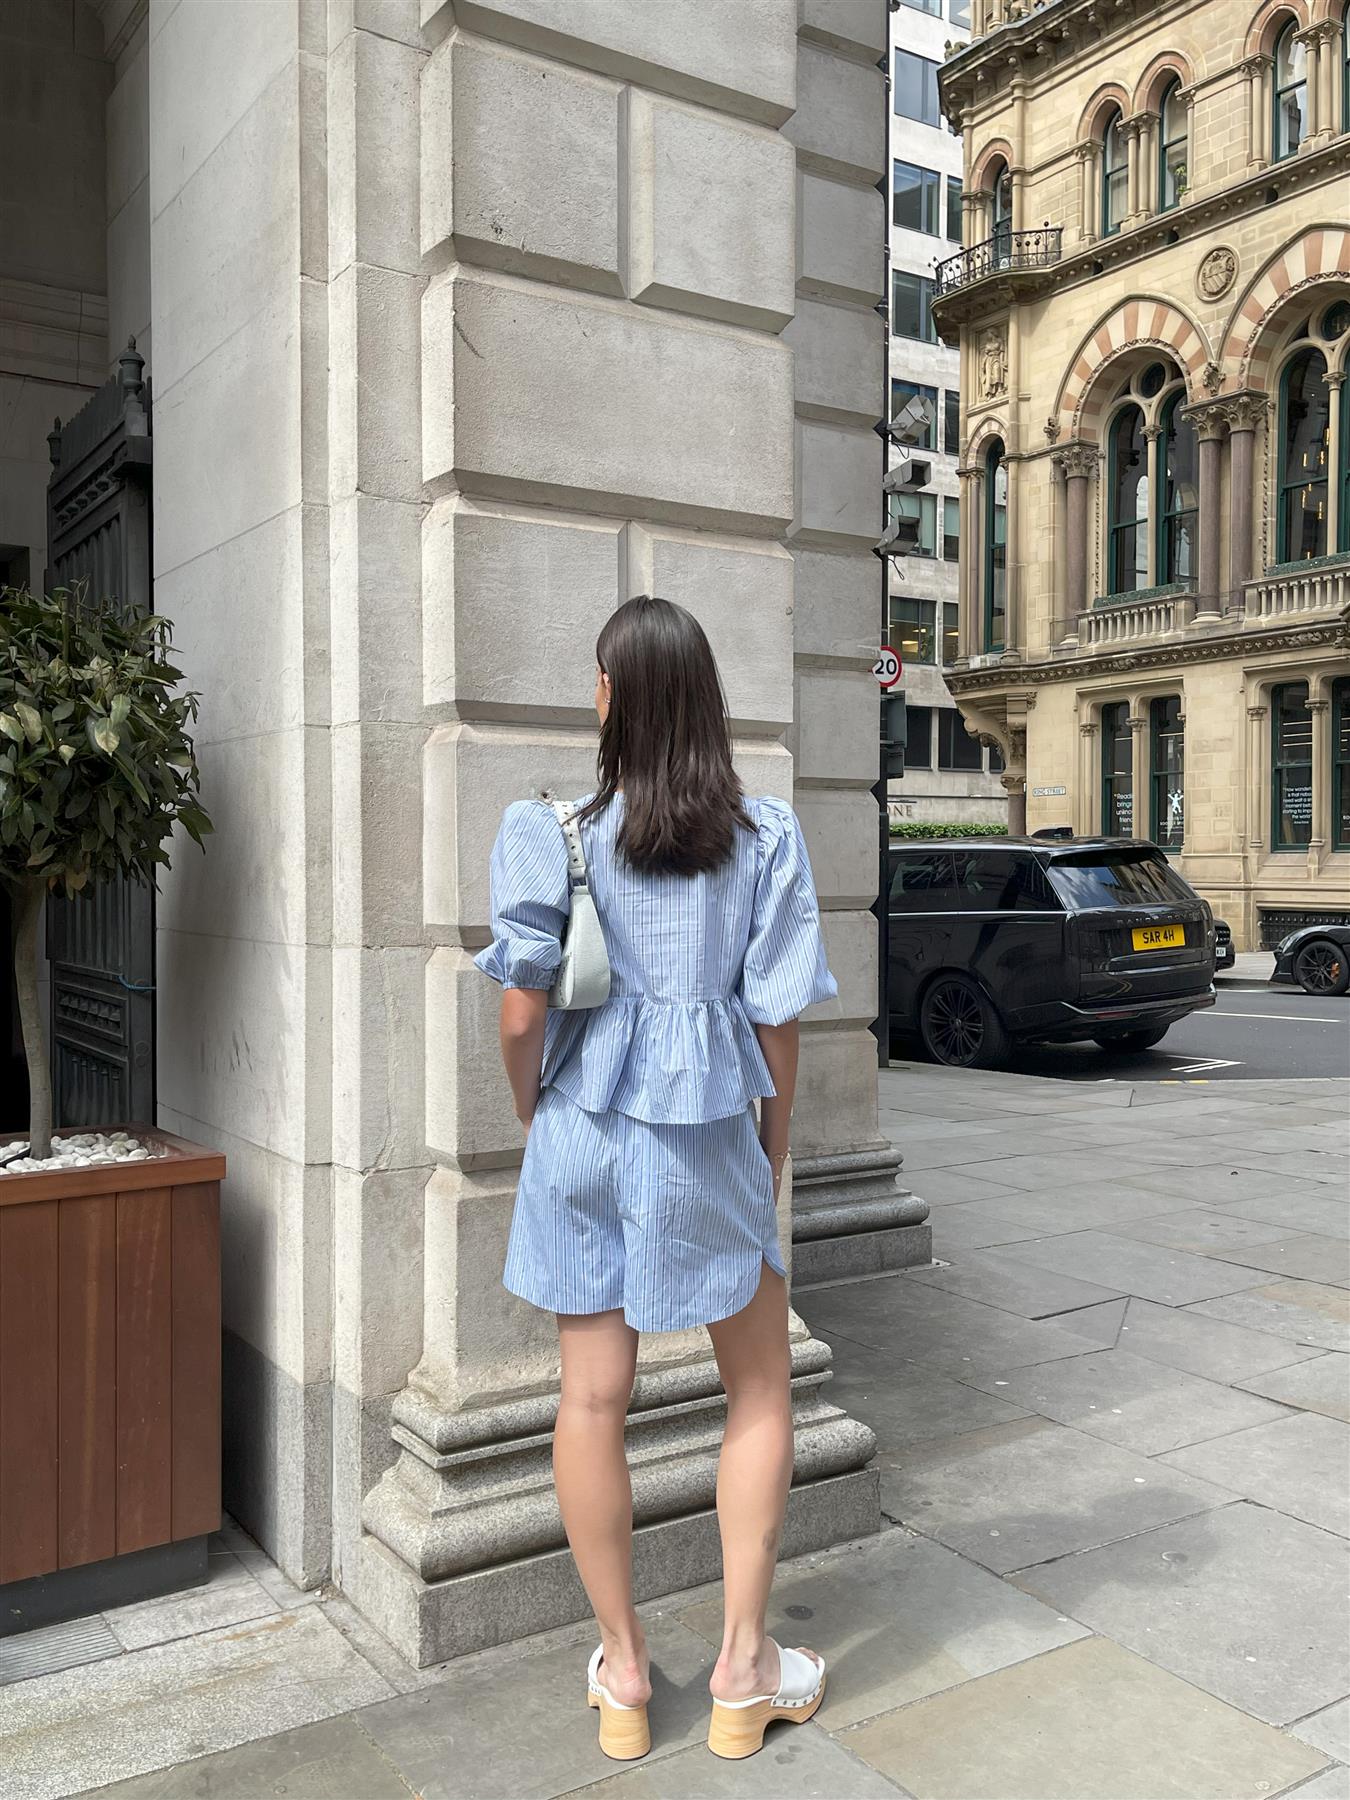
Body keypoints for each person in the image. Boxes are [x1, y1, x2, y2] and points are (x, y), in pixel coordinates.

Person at [474, 594, 838, 1763]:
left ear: (611, 697)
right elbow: (778, 1024)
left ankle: (624, 1674)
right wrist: (767, 1152)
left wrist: (537, 1108)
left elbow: (521, 1009)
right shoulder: (767, 836)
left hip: (584, 1129)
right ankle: (744, 1667)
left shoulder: (551, 831)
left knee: (590, 1399)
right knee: (761, 1391)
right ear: (706, 706)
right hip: (709, 1137)